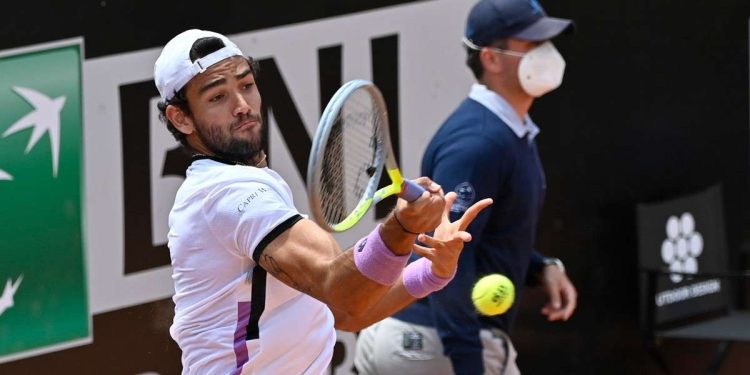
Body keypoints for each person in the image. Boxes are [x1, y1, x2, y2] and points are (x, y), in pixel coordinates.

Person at [153, 29, 492, 374]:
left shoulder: (242, 184)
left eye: (246, 85)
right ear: (181, 118)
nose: (242, 106)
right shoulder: (226, 195)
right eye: (217, 98)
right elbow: (341, 293)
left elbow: (349, 313)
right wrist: (402, 227)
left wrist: (432, 272)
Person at [354, 0, 578, 374]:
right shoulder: (478, 143)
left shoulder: (509, 132)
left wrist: (541, 267)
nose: (548, 54)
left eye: (548, 41)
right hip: (433, 344)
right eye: (532, 44)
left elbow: (481, 237)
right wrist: (468, 364)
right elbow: (445, 254)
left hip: (434, 341)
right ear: (491, 58)